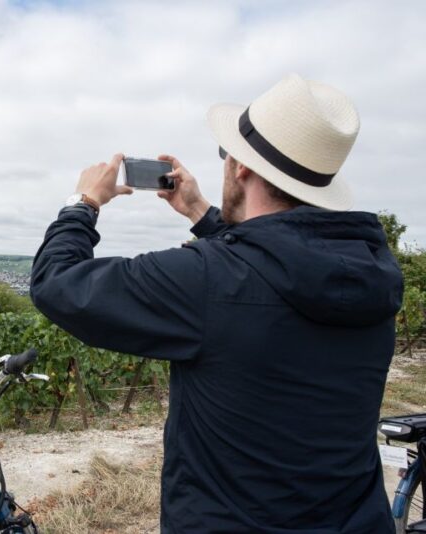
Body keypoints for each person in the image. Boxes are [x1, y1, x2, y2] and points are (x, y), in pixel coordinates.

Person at [30, 74, 403, 533]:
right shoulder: (372, 273)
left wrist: (82, 203)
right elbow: (271, 269)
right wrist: (199, 213)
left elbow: (58, 283)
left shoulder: (204, 280)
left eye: (226, 154)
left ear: (241, 168)